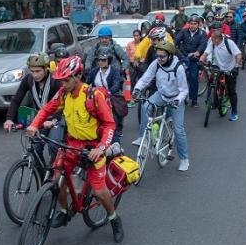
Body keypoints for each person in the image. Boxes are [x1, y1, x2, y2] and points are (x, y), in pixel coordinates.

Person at [26, 56, 123, 242]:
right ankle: (64, 211)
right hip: (72, 144)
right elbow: (47, 108)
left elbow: (110, 124)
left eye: (66, 79)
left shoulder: (93, 96)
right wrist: (35, 124)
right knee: (56, 179)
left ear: (78, 76)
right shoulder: (63, 93)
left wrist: (102, 147)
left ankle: (114, 218)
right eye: (61, 80)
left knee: (99, 192)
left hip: (93, 147)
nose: (63, 83)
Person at [133, 40, 190, 171]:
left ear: (170, 55)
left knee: (179, 130)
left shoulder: (178, 68)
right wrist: (137, 89)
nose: (159, 59)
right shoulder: (156, 63)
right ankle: (143, 138)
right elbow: (145, 78)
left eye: (162, 56)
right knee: (145, 106)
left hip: (176, 99)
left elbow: (184, 90)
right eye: (157, 56)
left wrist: (178, 100)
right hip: (161, 95)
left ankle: (184, 159)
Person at [4, 53, 61, 130]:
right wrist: (9, 119)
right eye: (32, 71)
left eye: (38, 71)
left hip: (55, 120)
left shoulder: (55, 81)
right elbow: (16, 100)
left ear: (46, 69)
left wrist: (54, 120)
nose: (35, 75)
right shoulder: (28, 79)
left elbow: (62, 105)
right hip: (38, 119)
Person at [199, 22, 241, 121]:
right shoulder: (212, 41)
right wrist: (201, 61)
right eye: (212, 39)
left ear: (219, 39)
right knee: (211, 82)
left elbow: (238, 55)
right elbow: (205, 53)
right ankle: (212, 101)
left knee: (231, 91)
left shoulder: (229, 42)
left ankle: (234, 112)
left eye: (214, 40)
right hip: (217, 66)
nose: (212, 41)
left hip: (230, 69)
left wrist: (236, 66)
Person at [85, 45, 126, 142]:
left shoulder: (115, 71)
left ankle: (116, 142)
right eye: (99, 60)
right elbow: (86, 84)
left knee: (113, 120)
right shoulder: (94, 71)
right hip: (95, 100)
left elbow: (116, 86)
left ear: (109, 60)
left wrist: (106, 93)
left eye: (104, 60)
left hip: (110, 99)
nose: (101, 62)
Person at [175, 13, 207, 107]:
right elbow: (176, 41)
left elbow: (203, 45)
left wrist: (197, 52)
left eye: (195, 23)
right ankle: (180, 97)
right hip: (183, 56)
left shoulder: (202, 33)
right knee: (180, 77)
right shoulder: (184, 31)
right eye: (191, 23)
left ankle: (194, 99)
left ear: (198, 24)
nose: (193, 25)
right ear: (189, 24)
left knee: (193, 78)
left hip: (194, 58)